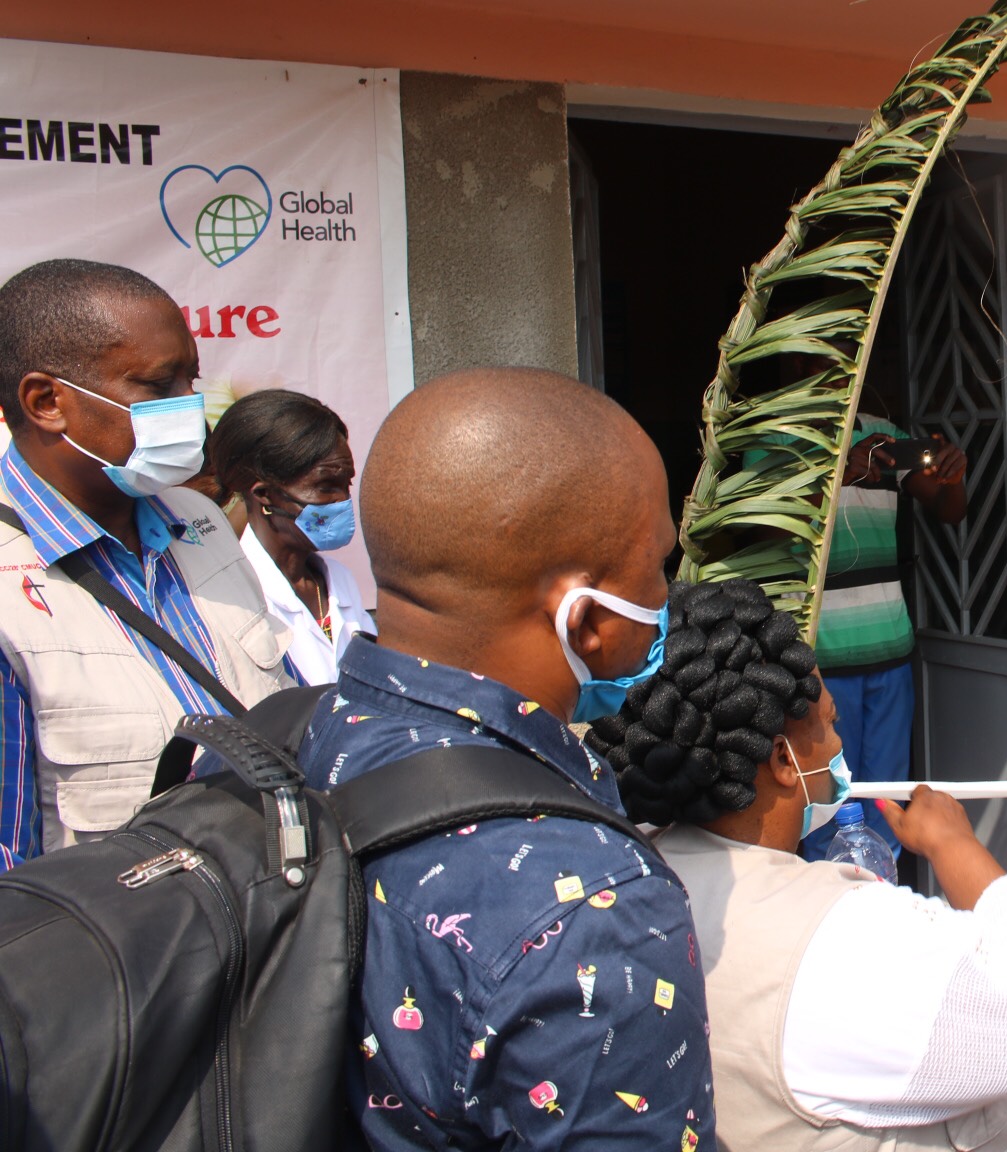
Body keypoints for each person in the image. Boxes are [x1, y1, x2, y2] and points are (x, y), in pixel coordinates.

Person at [297, 366, 713, 1150]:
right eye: (659, 562)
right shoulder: (596, 907)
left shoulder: (278, 739)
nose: (668, 592)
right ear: (585, 619)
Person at [585, 576, 1007, 1152]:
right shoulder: (840, 940)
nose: (837, 743)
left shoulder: (626, 880)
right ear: (783, 760)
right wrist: (954, 845)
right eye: (830, 724)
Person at [0, 258, 293, 865]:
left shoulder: (201, 521)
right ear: (46, 402)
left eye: (191, 380)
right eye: (159, 387)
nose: (191, 408)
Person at [800, 410, 966, 860]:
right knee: (824, 805)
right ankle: (827, 897)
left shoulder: (885, 435)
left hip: (889, 649)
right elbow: (764, 525)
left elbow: (950, 510)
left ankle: (881, 889)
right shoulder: (781, 433)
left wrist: (953, 478)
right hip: (820, 658)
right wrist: (838, 473)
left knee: (886, 803)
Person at [207, 388, 376, 685]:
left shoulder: (339, 581)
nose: (342, 500)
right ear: (265, 495)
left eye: (346, 484)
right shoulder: (235, 601)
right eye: (326, 486)